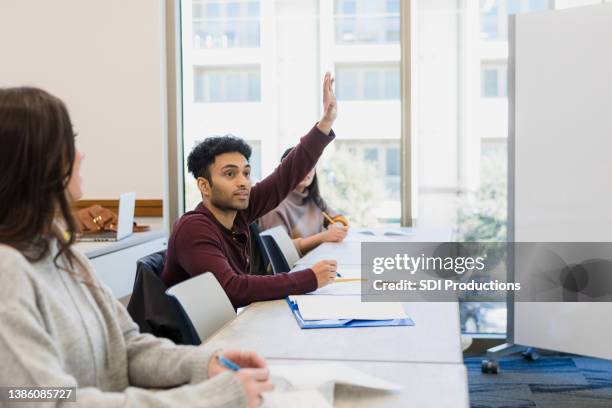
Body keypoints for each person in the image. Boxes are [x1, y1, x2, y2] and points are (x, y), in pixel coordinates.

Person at [0, 87, 272, 407]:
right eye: (69, 141)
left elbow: (127, 346)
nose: (81, 154)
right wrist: (209, 398)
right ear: (36, 160)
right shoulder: (8, 272)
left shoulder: (64, 252)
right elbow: (47, 401)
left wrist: (204, 364)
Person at [162, 73, 339, 308]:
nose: (243, 182)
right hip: (199, 341)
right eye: (230, 174)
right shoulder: (193, 228)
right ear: (204, 186)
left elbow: (285, 176)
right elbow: (232, 289)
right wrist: (308, 278)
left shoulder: (239, 212)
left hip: (231, 325)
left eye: (246, 173)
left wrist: (325, 123)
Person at [259, 147, 349, 255]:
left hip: (320, 259)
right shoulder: (274, 204)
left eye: (312, 165)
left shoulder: (313, 199)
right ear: (285, 169)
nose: (307, 170)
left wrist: (336, 226)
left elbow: (339, 218)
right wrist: (323, 237)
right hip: (296, 269)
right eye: (301, 165)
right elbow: (281, 250)